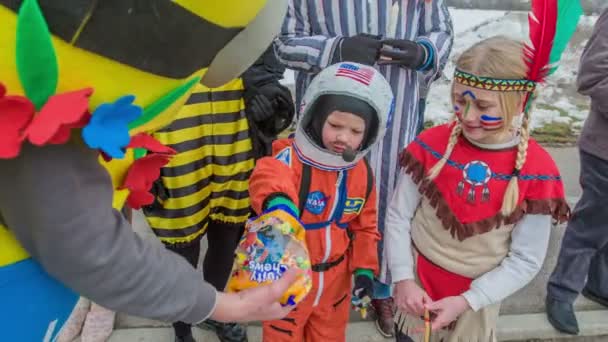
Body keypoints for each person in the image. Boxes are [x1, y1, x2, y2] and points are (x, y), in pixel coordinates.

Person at [0, 1, 296, 341]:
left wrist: (268, 97)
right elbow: (88, 246)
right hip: (179, 149)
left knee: (224, 237)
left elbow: (258, 63)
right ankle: (181, 326)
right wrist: (226, 306)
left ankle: (207, 314)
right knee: (180, 242)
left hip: (230, 147)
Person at [275, 1, 453, 335]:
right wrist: (336, 48)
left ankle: (381, 288)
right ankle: (306, 282)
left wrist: (422, 52)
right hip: (329, 119)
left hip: (394, 116)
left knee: (386, 202)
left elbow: (441, 32)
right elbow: (285, 42)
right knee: (316, 199)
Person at [384, 36, 571, 341]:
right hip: (415, 290)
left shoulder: (537, 171)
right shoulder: (431, 146)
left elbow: (526, 260)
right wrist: (403, 278)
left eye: (483, 105)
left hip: (476, 304)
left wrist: (468, 300)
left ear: (519, 102)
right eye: (459, 100)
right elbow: (398, 216)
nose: (468, 115)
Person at [142, 43, 294, 342]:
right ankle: (182, 330)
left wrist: (266, 104)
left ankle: (214, 312)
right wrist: (139, 156)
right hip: (176, 146)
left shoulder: (245, 16)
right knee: (180, 254)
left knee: (225, 244)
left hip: (234, 141)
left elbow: (267, 69)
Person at [248, 62, 394, 341]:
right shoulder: (289, 158)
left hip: (335, 287)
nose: (343, 137)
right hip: (289, 280)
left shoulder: (361, 172)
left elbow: (366, 227)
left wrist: (364, 271)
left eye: (355, 132)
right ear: (314, 117)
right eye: (335, 125)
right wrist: (280, 207)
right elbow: (266, 179)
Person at [546, 8, 608, 335]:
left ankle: (599, 285)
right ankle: (561, 291)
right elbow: (593, 75)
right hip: (605, 151)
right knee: (590, 226)